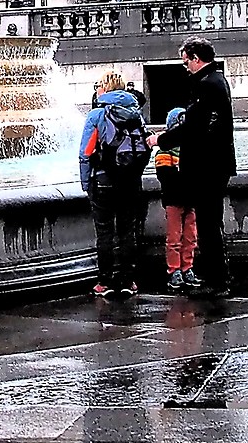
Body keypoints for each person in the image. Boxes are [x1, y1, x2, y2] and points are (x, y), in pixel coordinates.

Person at [164, 39, 237, 296]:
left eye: (186, 61)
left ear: (195, 58)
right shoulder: (218, 80)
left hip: (207, 167)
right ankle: (219, 278)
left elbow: (193, 127)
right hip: (217, 164)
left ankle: (217, 282)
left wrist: (160, 139)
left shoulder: (206, 85)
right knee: (211, 223)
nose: (185, 67)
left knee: (208, 225)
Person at [77, 70, 150, 297]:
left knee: (105, 232)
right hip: (130, 181)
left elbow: (85, 153)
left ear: (104, 88)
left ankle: (105, 282)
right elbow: (143, 145)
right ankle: (129, 280)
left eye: (98, 85)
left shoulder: (97, 114)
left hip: (103, 181)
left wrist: (85, 183)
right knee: (127, 231)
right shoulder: (135, 112)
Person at [153, 105, 197, 292]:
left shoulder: (191, 148)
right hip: (174, 199)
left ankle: (187, 267)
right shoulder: (165, 151)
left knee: (190, 236)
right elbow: (165, 176)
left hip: (189, 199)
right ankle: (174, 270)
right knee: (174, 238)